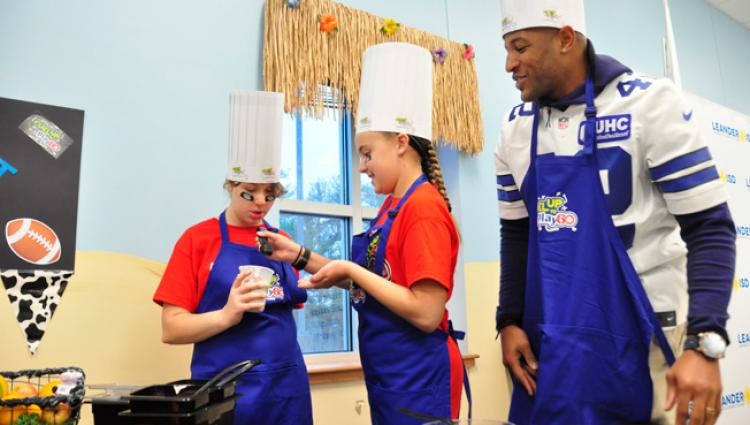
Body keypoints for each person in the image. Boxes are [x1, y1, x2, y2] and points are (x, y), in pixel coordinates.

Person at [493, 1, 736, 424]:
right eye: (507, 49)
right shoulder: (514, 129)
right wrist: (509, 320)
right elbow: (516, 234)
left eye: (520, 47)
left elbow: (708, 227)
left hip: (650, 339)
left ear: (566, 38)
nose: (509, 64)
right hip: (556, 339)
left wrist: (704, 339)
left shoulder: (649, 103)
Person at [259, 42, 466, 424]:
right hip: (392, 375)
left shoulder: (423, 210)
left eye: (368, 154)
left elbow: (425, 311)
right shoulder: (392, 207)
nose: (362, 167)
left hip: (419, 375)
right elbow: (375, 281)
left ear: (401, 143)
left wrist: (353, 272)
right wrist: (298, 255)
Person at [153, 91, 313, 425]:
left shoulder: (279, 241)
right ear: (230, 185)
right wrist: (227, 315)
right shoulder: (198, 239)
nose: (260, 203)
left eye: (269, 195)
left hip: (287, 391)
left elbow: (292, 305)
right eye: (249, 193)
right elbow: (171, 328)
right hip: (224, 394)